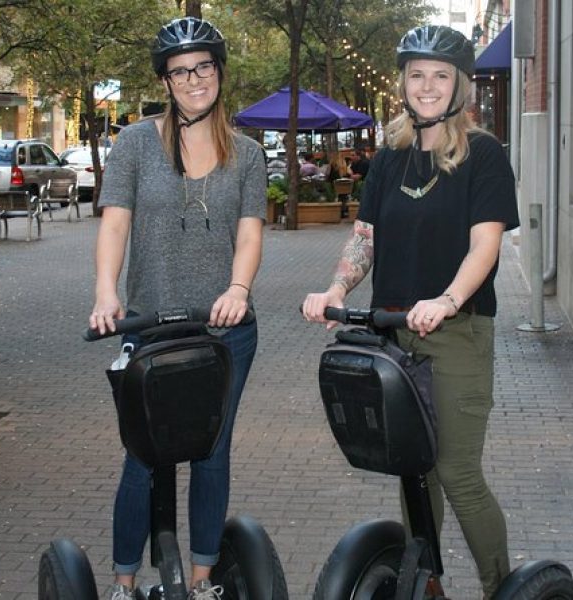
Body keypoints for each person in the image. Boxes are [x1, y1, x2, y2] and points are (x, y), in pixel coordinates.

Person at [301, 24, 518, 598]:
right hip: (394, 336)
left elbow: (485, 245)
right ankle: (428, 586)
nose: (427, 87)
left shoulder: (485, 155)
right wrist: (336, 290)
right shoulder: (390, 158)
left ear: (460, 86)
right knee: (414, 470)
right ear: (403, 83)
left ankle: (503, 587)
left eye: (440, 76)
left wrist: (447, 300)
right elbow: (365, 238)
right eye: (417, 75)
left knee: (457, 472)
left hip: (457, 336)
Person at [88, 16, 266, 600]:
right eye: (180, 71)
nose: (194, 80)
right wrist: (106, 293)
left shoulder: (246, 152)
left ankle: (201, 581)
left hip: (223, 332)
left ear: (219, 72)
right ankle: (123, 584)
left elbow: (249, 233)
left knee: (211, 453)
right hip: (149, 324)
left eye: (203, 67)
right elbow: (115, 223)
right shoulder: (136, 143)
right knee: (142, 458)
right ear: (165, 81)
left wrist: (238, 291)